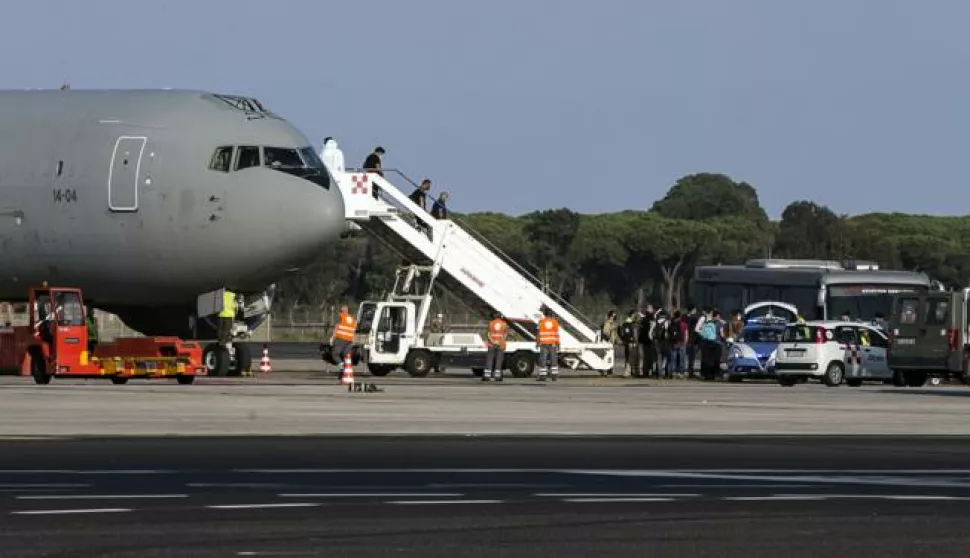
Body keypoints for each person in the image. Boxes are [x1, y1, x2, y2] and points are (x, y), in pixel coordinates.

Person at [536, 307, 561, 382]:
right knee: (554, 360)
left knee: (543, 360)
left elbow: (538, 333)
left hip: (544, 344)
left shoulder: (541, 322)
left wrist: (537, 342)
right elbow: (557, 334)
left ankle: (543, 377)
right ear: (551, 314)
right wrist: (558, 344)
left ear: (544, 314)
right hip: (553, 344)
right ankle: (554, 377)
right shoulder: (555, 322)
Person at [484, 312, 508, 382]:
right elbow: (505, 335)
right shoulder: (504, 324)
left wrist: (493, 341)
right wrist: (500, 341)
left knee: (489, 360)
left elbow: (488, 334)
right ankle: (497, 377)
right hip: (500, 344)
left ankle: (487, 376)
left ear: (494, 316)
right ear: (500, 316)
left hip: (492, 344)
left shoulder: (491, 323)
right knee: (499, 360)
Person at [618, 310, 639, 377]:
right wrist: (630, 339)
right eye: (635, 314)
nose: (636, 316)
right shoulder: (627, 323)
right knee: (629, 357)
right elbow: (626, 333)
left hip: (633, 342)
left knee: (633, 357)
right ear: (632, 315)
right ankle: (627, 372)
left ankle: (633, 371)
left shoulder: (633, 323)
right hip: (630, 342)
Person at [638, 305, 656, 378]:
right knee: (650, 357)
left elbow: (641, 329)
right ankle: (651, 371)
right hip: (650, 340)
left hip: (644, 340)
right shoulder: (652, 318)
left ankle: (645, 372)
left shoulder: (644, 318)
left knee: (645, 357)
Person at [599, 310, 619, 376]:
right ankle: (603, 369)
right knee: (607, 356)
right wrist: (611, 330)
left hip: (611, 342)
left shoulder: (614, 324)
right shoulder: (607, 323)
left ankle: (609, 370)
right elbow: (605, 332)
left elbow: (615, 334)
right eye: (612, 316)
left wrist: (617, 341)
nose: (612, 317)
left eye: (614, 316)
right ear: (609, 316)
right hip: (606, 342)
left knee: (610, 356)